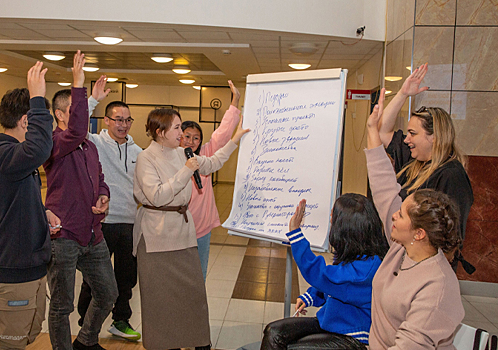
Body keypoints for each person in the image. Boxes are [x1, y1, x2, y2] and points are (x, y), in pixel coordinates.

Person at [133, 108, 248, 350]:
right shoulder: (147, 158)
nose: (182, 134)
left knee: (193, 294)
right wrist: (186, 170)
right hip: (156, 237)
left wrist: (235, 140)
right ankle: (167, 344)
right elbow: (157, 195)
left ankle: (198, 342)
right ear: (160, 132)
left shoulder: (180, 153)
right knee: (161, 299)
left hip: (184, 234)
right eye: (176, 128)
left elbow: (213, 162)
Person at [366, 89, 464, 349]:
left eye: (413, 133)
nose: (393, 216)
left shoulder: (434, 286)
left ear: (421, 231)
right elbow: (385, 190)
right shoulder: (400, 251)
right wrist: (371, 128)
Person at [0, 61, 61, 349]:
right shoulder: (0, 153)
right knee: (10, 344)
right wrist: (38, 99)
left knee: (27, 335)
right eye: (41, 121)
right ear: (27, 121)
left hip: (31, 266)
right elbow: (39, 148)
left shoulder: (12, 157)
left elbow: (16, 200)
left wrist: (43, 213)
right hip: (13, 268)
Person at [43, 51, 118, 350]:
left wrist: (104, 195)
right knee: (61, 307)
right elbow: (74, 129)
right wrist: (78, 83)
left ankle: (86, 340)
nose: (81, 115)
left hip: (92, 234)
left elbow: (99, 177)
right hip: (64, 236)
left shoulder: (88, 145)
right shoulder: (54, 143)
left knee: (108, 294)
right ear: (61, 114)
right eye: (75, 109)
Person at [378, 63, 474, 272]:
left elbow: (452, 234)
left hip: (427, 266)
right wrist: (403, 93)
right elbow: (382, 131)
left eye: (413, 133)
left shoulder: (452, 175)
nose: (407, 139)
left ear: (434, 137)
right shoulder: (413, 160)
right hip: (402, 257)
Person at [261, 194, 389, 350]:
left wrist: (295, 233)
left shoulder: (365, 271)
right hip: (332, 322)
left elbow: (324, 276)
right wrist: (312, 296)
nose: (330, 218)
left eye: (333, 215)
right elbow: (336, 283)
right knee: (273, 332)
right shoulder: (361, 254)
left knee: (289, 347)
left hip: (352, 336)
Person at [77, 95, 143, 341]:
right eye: (118, 119)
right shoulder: (93, 143)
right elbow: (77, 125)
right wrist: (92, 99)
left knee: (126, 278)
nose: (123, 125)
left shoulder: (138, 152)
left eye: (127, 120)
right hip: (101, 223)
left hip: (130, 223)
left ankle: (120, 320)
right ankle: (86, 322)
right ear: (105, 121)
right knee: (93, 278)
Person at [180, 80, 241, 279]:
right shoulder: (171, 159)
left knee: (200, 274)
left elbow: (222, 135)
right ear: (178, 137)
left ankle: (196, 310)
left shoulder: (205, 155)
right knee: (180, 276)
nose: (191, 141)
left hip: (202, 228)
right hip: (178, 229)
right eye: (186, 136)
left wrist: (235, 101)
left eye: (196, 138)